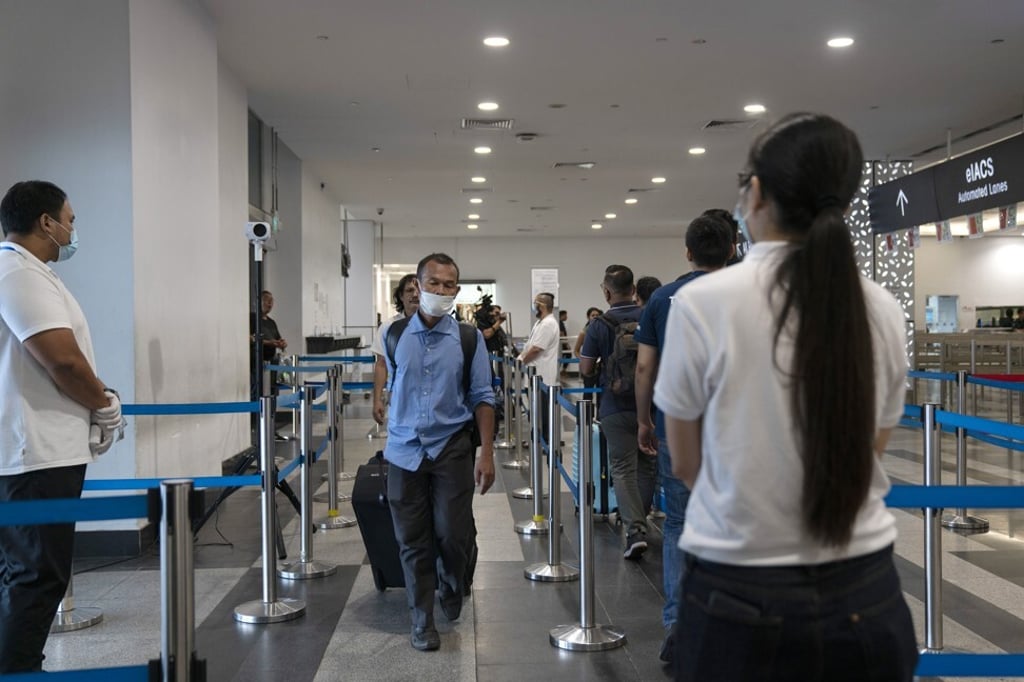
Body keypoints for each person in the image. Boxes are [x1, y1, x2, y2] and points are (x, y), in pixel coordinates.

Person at [654, 113, 917, 681]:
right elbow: (870, 446)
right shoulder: (882, 309)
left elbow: (686, 461)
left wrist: (747, 503)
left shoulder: (702, 303)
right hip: (866, 589)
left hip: (736, 588)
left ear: (755, 192)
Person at [0, 180, 122, 673]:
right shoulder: (16, 272)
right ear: (46, 222)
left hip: (39, 450)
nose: (73, 231)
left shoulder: (28, 272)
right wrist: (105, 406)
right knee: (37, 577)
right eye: (69, 220)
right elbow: (63, 362)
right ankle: (20, 671)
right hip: (36, 455)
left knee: (26, 576)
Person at [633, 214, 734, 664]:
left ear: (688, 252)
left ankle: (677, 623)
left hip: (676, 422)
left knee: (677, 521)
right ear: (732, 249)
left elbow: (644, 368)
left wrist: (643, 420)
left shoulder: (661, 298)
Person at [383, 253, 495, 652]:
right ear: (417, 284)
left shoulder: (469, 339)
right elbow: (393, 385)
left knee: (453, 531)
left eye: (449, 285)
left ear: (457, 290)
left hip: (450, 448)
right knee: (412, 539)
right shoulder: (393, 334)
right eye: (434, 283)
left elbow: (483, 397)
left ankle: (452, 578)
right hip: (403, 451)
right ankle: (421, 619)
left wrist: (486, 454)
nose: (441, 291)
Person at [580, 266, 654, 560]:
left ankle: (635, 529)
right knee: (648, 466)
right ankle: (640, 519)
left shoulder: (599, 325)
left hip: (614, 405)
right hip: (651, 405)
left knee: (623, 469)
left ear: (606, 292)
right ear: (634, 289)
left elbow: (585, 368)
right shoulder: (649, 316)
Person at [371, 274, 419, 424]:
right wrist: (377, 399)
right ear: (401, 296)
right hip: (399, 398)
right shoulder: (388, 327)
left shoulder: (436, 326)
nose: (415, 294)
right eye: (409, 290)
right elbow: (381, 364)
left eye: (419, 290)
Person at [517, 292, 561, 440]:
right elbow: (531, 345)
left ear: (541, 306)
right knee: (536, 413)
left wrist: (521, 361)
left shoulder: (548, 324)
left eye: (535, 303)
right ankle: (537, 439)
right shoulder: (540, 323)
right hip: (533, 375)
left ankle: (544, 443)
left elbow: (537, 349)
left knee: (542, 414)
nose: (533, 306)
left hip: (542, 377)